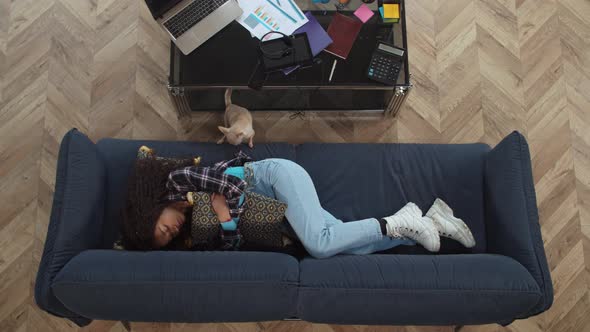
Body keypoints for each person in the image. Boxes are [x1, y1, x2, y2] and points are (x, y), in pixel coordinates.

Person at [121, 152, 476, 259]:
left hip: (276, 177)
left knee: (321, 245)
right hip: (277, 209)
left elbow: (232, 182)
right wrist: (226, 219)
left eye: (162, 228)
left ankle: (392, 222)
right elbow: (231, 243)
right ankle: (432, 220)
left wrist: (227, 215)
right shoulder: (194, 232)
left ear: (151, 212)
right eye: (168, 239)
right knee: (352, 245)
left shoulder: (177, 182)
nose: (173, 232)